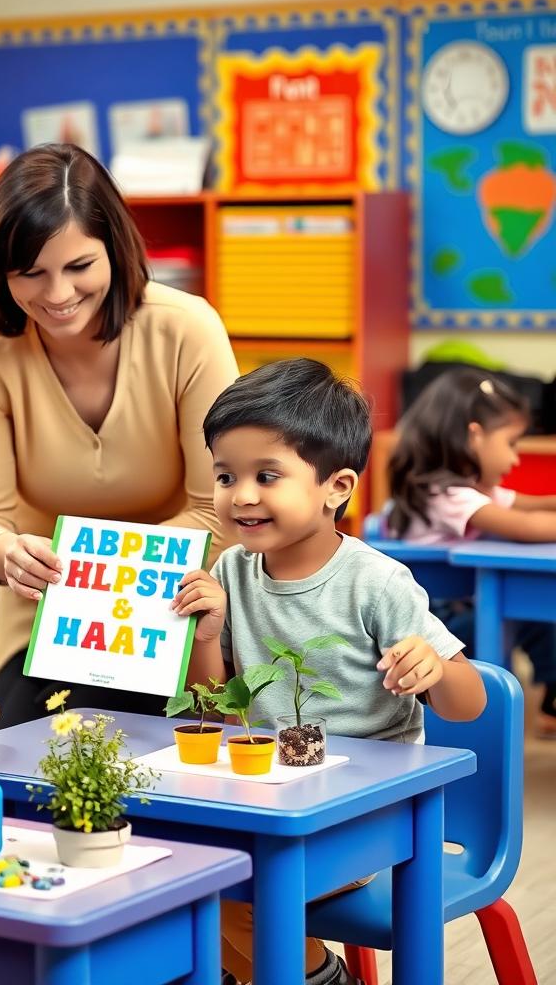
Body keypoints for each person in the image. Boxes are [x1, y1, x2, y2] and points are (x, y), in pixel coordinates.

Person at [176, 358, 485, 985]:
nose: (241, 495)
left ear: (336, 487)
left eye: (267, 475)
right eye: (225, 474)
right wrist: (206, 637)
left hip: (370, 815)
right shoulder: (232, 571)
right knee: (173, 878)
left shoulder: (376, 582)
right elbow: (215, 714)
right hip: (266, 799)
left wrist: (434, 671)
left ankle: (321, 977)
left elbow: (470, 703)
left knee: (231, 895)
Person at [0, 142, 239, 727]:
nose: (57, 295)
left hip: (181, 619)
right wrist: (5, 553)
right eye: (30, 273)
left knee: (180, 762)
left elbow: (219, 509)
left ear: (115, 249)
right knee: (21, 763)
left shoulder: (186, 330)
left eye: (79, 267)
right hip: (43, 634)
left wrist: (112, 574)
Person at [387, 368, 556, 736]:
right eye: (511, 444)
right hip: (432, 626)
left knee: (538, 615)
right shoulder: (446, 495)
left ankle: (549, 701)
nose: (515, 460)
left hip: (460, 610)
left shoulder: (472, 490)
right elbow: (525, 527)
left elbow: (535, 505)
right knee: (536, 614)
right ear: (475, 436)